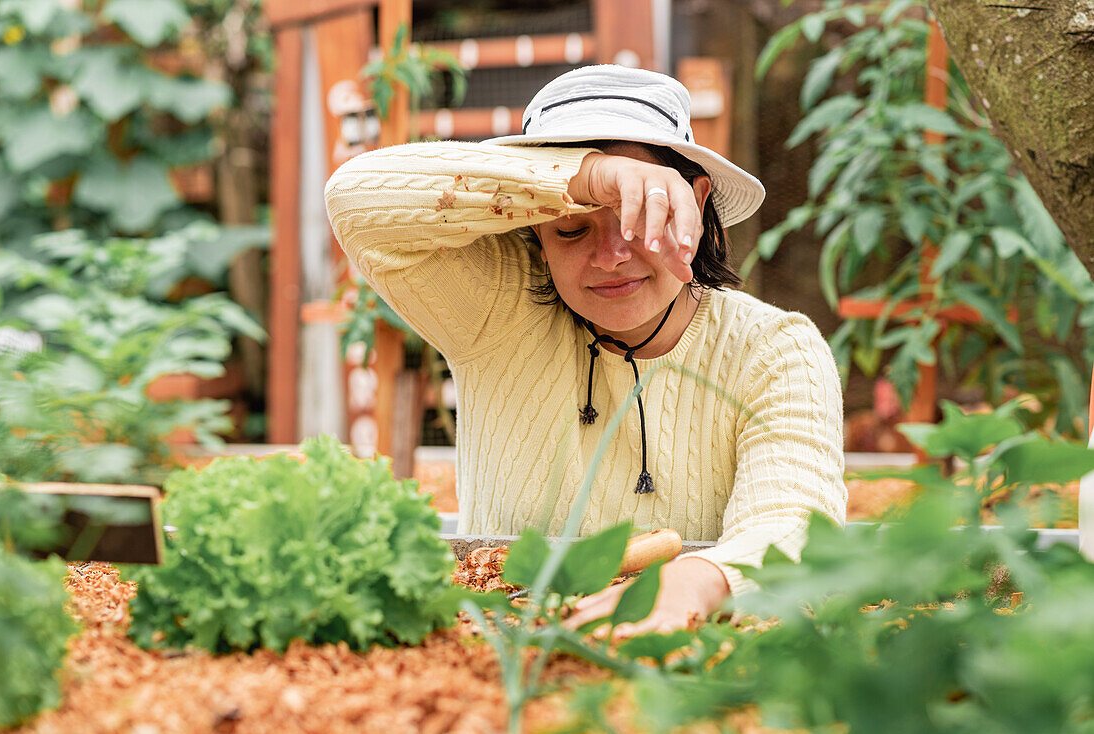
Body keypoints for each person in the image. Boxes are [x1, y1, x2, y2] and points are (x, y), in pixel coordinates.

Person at [325, 64, 846, 637]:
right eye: (571, 229)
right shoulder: (497, 310)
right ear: (535, 228)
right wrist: (591, 177)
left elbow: (797, 519)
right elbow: (354, 198)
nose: (610, 256)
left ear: (696, 201)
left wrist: (701, 581)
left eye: (637, 219)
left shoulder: (774, 349)